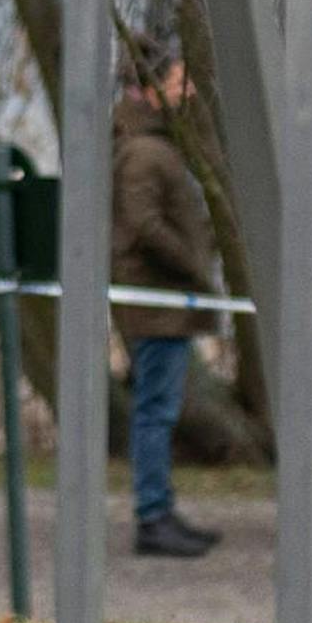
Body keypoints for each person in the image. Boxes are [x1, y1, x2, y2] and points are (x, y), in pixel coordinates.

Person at [110, 49, 223, 558]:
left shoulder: (151, 144)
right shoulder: (142, 151)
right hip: (155, 299)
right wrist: (193, 266)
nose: (189, 92)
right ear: (153, 88)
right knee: (156, 411)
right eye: (180, 81)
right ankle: (153, 516)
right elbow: (143, 223)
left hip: (162, 297)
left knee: (158, 407)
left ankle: (161, 509)